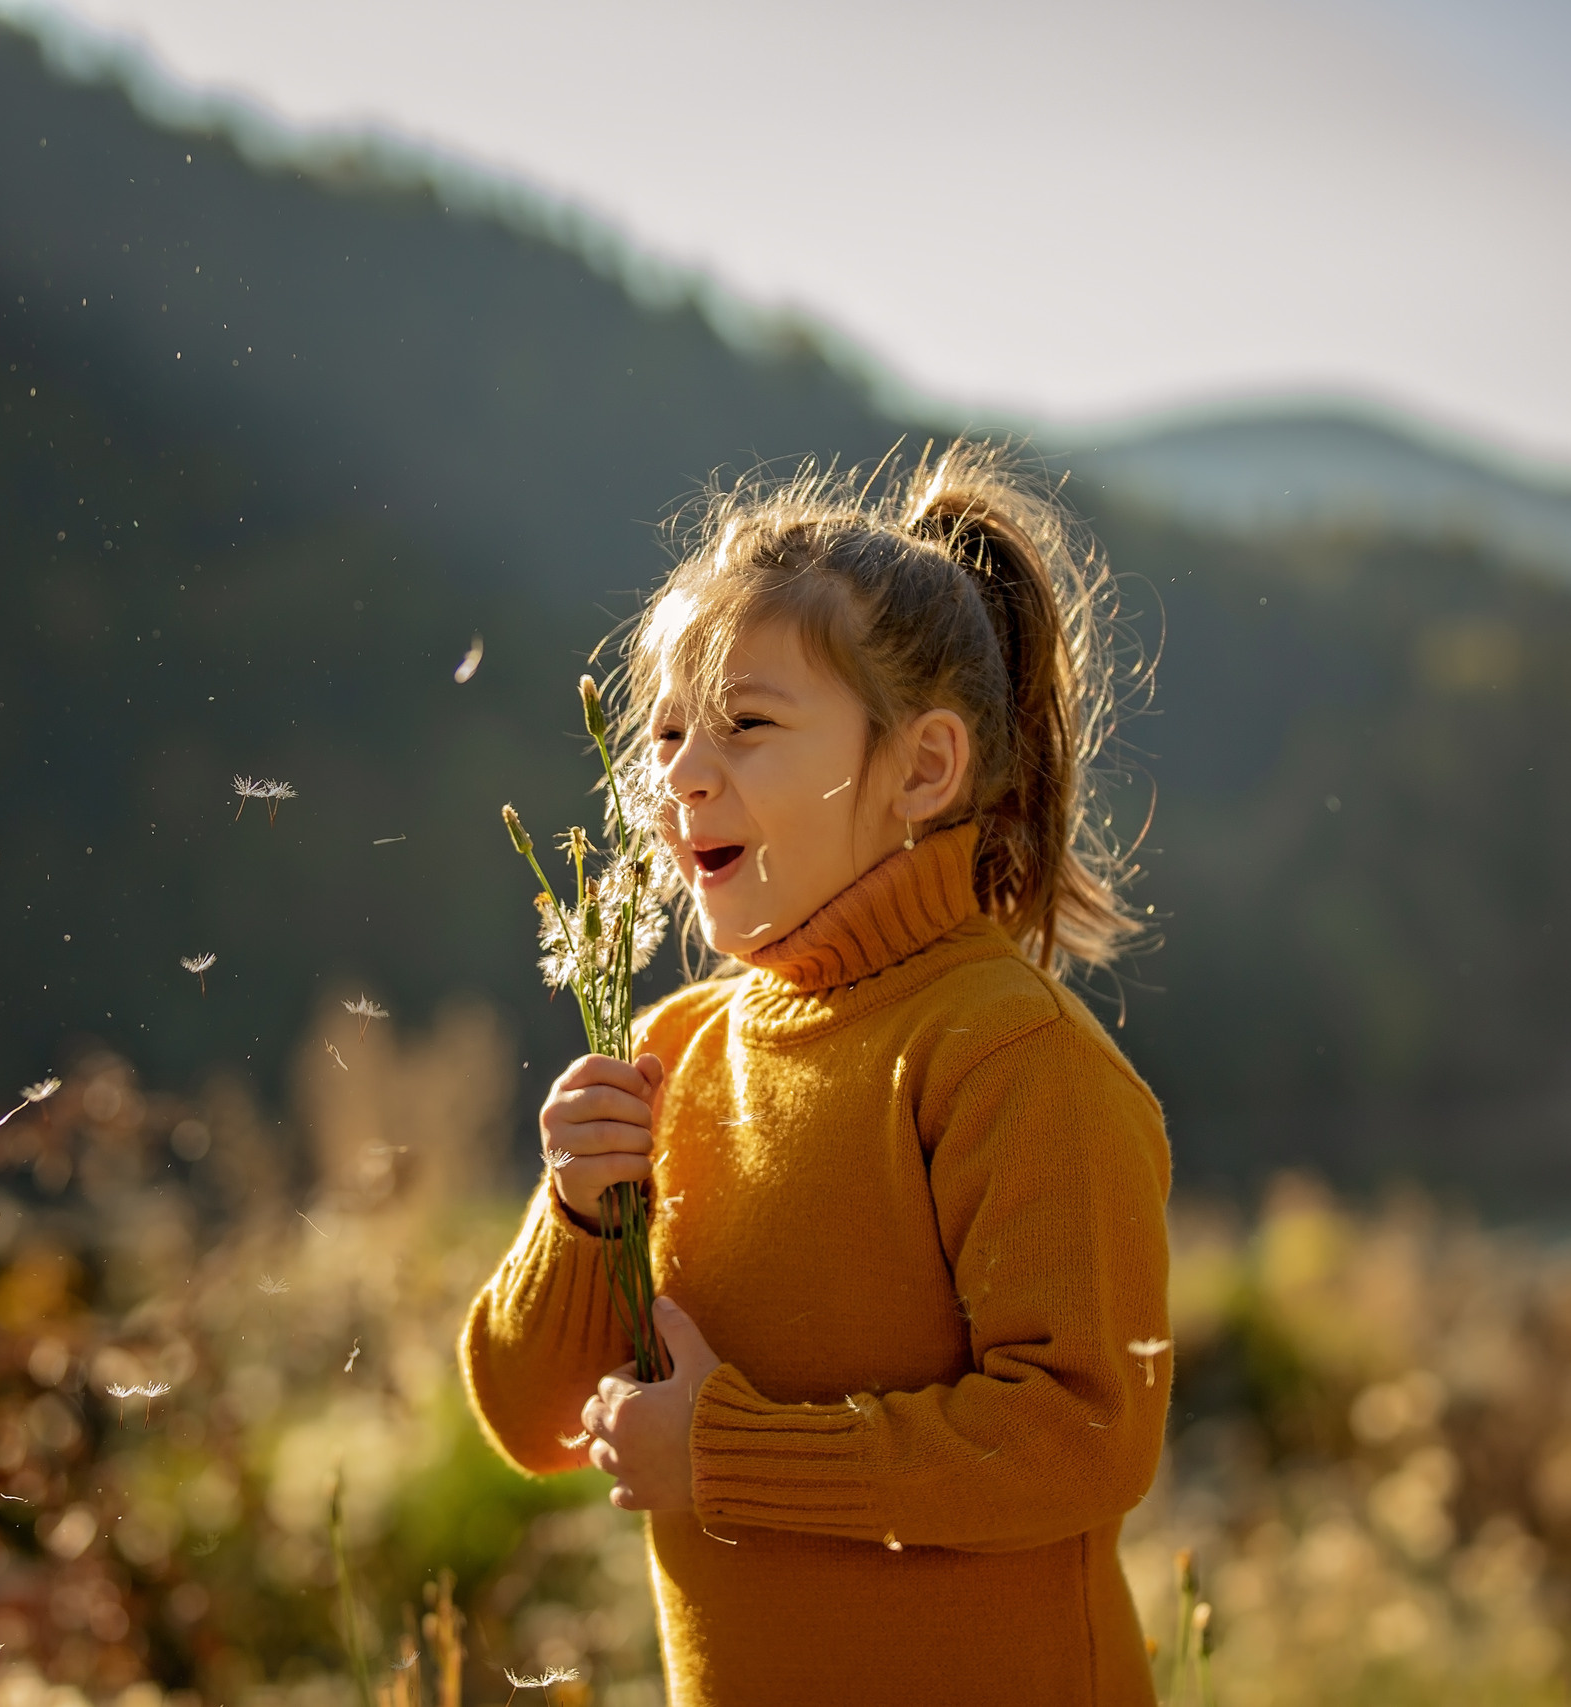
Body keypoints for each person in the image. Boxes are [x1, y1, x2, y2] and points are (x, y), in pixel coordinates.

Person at [461, 441, 1174, 1704]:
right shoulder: (676, 1052)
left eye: (745, 725)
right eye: (670, 731)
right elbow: (531, 1423)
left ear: (923, 768)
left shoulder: (1009, 1058)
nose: (684, 771)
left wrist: (726, 1458)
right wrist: (574, 1211)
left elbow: (1081, 1434)